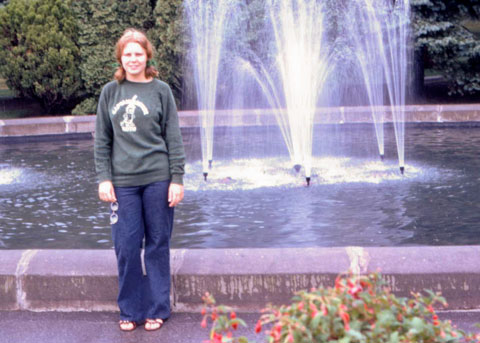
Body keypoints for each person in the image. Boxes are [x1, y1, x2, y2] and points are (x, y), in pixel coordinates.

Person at [94, 28, 185, 332]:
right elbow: (102, 141)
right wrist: (104, 178)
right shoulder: (110, 92)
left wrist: (177, 178)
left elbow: (173, 138)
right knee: (127, 246)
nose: (133, 59)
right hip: (123, 183)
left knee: (158, 244)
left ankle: (158, 308)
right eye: (128, 54)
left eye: (139, 53)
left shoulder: (161, 91)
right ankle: (130, 309)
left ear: (148, 56)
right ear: (120, 57)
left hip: (158, 178)